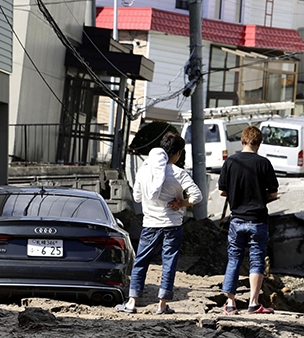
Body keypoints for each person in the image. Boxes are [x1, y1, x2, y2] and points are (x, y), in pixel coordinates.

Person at [116, 132, 202, 314]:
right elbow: (197, 196)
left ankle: (132, 302)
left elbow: (137, 198)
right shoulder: (179, 173)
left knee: (141, 261)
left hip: (149, 224)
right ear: (177, 153)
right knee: (169, 263)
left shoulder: (144, 171)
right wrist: (181, 203)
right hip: (172, 224)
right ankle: (162, 304)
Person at [218, 125, 279, 314]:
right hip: (258, 220)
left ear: (242, 141)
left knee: (234, 258)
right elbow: (273, 193)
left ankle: (230, 304)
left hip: (236, 220)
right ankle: (253, 303)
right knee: (256, 260)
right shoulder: (264, 163)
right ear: (259, 144)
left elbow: (222, 191)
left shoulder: (230, 162)